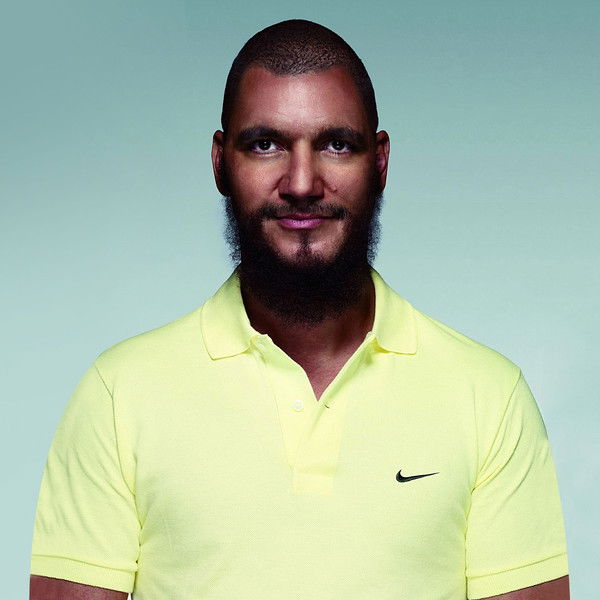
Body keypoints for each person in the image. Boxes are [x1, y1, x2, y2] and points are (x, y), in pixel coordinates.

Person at [29, 19, 569, 600]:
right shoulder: (118, 394)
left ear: (380, 162)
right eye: (266, 144)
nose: (303, 183)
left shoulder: (489, 398)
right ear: (220, 162)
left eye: (337, 144)